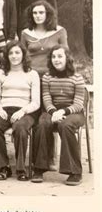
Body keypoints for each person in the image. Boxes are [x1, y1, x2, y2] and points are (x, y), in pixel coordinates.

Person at [32, 46, 86, 186]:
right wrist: (53, 112)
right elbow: (46, 98)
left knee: (65, 125)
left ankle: (74, 172)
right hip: (52, 110)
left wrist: (63, 112)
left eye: (60, 56)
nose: (56, 60)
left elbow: (79, 103)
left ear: (67, 58)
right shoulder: (47, 77)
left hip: (73, 112)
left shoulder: (77, 77)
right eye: (53, 57)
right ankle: (39, 168)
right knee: (43, 123)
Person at [0, 41, 40, 181]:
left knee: (20, 128)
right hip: (5, 109)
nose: (14, 56)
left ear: (23, 54)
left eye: (17, 52)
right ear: (6, 56)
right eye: (10, 53)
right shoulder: (1, 73)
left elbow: (36, 102)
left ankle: (21, 168)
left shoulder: (32, 74)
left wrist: (23, 111)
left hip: (25, 111)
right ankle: (3, 167)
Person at [20, 0, 67, 77]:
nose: (38, 16)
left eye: (41, 12)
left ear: (47, 14)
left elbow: (66, 55)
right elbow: (22, 57)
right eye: (34, 13)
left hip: (53, 76)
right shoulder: (25, 33)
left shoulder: (60, 31)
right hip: (31, 75)